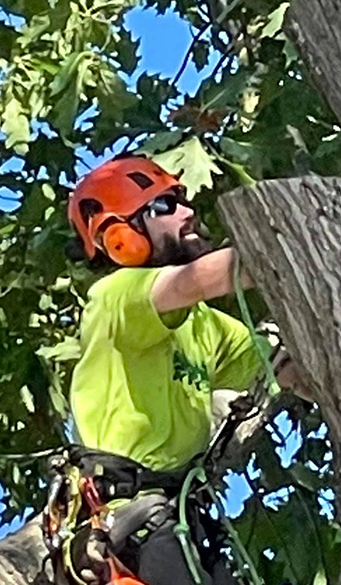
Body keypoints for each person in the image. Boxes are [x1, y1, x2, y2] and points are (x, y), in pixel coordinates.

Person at [56, 155, 301, 585]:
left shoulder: (204, 324)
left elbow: (286, 368)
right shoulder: (114, 298)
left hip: (182, 523)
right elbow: (197, 279)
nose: (187, 212)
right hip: (132, 522)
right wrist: (303, 243)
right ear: (121, 237)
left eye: (182, 201)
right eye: (164, 205)